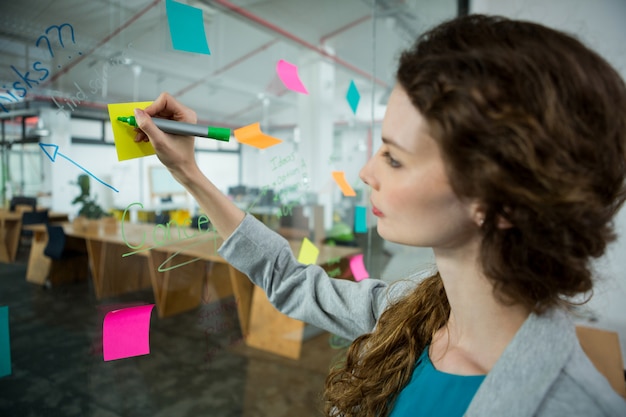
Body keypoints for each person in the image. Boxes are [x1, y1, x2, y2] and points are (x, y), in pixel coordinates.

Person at [132, 14, 626, 417]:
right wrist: (189, 173)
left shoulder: (571, 406)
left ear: (500, 199)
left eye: (393, 156)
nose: (367, 171)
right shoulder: (412, 309)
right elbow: (291, 281)